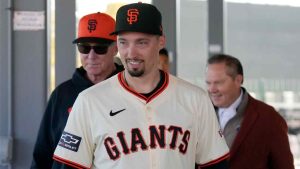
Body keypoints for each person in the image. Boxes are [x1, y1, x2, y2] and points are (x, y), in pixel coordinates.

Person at [53, 3, 229, 169]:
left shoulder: (195, 99)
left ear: (161, 42)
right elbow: (68, 166)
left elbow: (215, 164)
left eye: (141, 42)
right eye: (123, 42)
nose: (131, 52)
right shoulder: (89, 101)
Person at [30, 12, 124, 169]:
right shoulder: (61, 94)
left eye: (100, 48)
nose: (91, 56)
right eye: (84, 48)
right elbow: (42, 153)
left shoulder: (130, 91)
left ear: (115, 48)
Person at [205, 54, 294, 169]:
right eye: (208, 83)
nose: (212, 89)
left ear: (238, 80)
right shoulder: (199, 114)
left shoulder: (268, 118)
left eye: (218, 82)